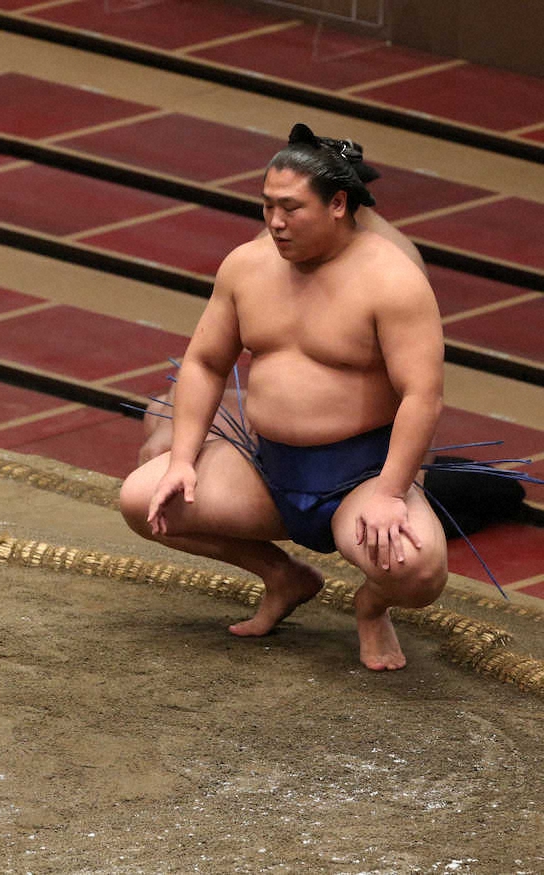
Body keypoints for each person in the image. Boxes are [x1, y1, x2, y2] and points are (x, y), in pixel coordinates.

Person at [120, 122, 448, 672]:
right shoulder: (247, 267)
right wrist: (181, 460)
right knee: (144, 500)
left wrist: (392, 492)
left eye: (291, 208)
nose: (275, 222)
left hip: (359, 480)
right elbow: (204, 362)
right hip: (265, 466)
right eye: (267, 205)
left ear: (339, 204)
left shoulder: (393, 279)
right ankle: (283, 576)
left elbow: (422, 396)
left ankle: (370, 607)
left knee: (418, 572)